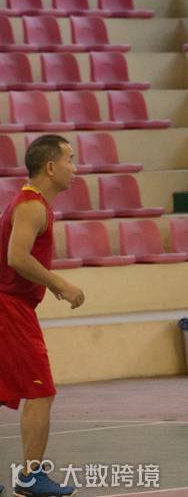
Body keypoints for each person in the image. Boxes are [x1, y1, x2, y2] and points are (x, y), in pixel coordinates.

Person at [0, 135, 85, 497]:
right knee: (40, 392)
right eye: (70, 159)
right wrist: (59, 284)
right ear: (50, 167)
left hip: (11, 304)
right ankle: (30, 476)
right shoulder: (32, 206)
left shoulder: (29, 202)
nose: (75, 167)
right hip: (9, 308)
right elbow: (17, 257)